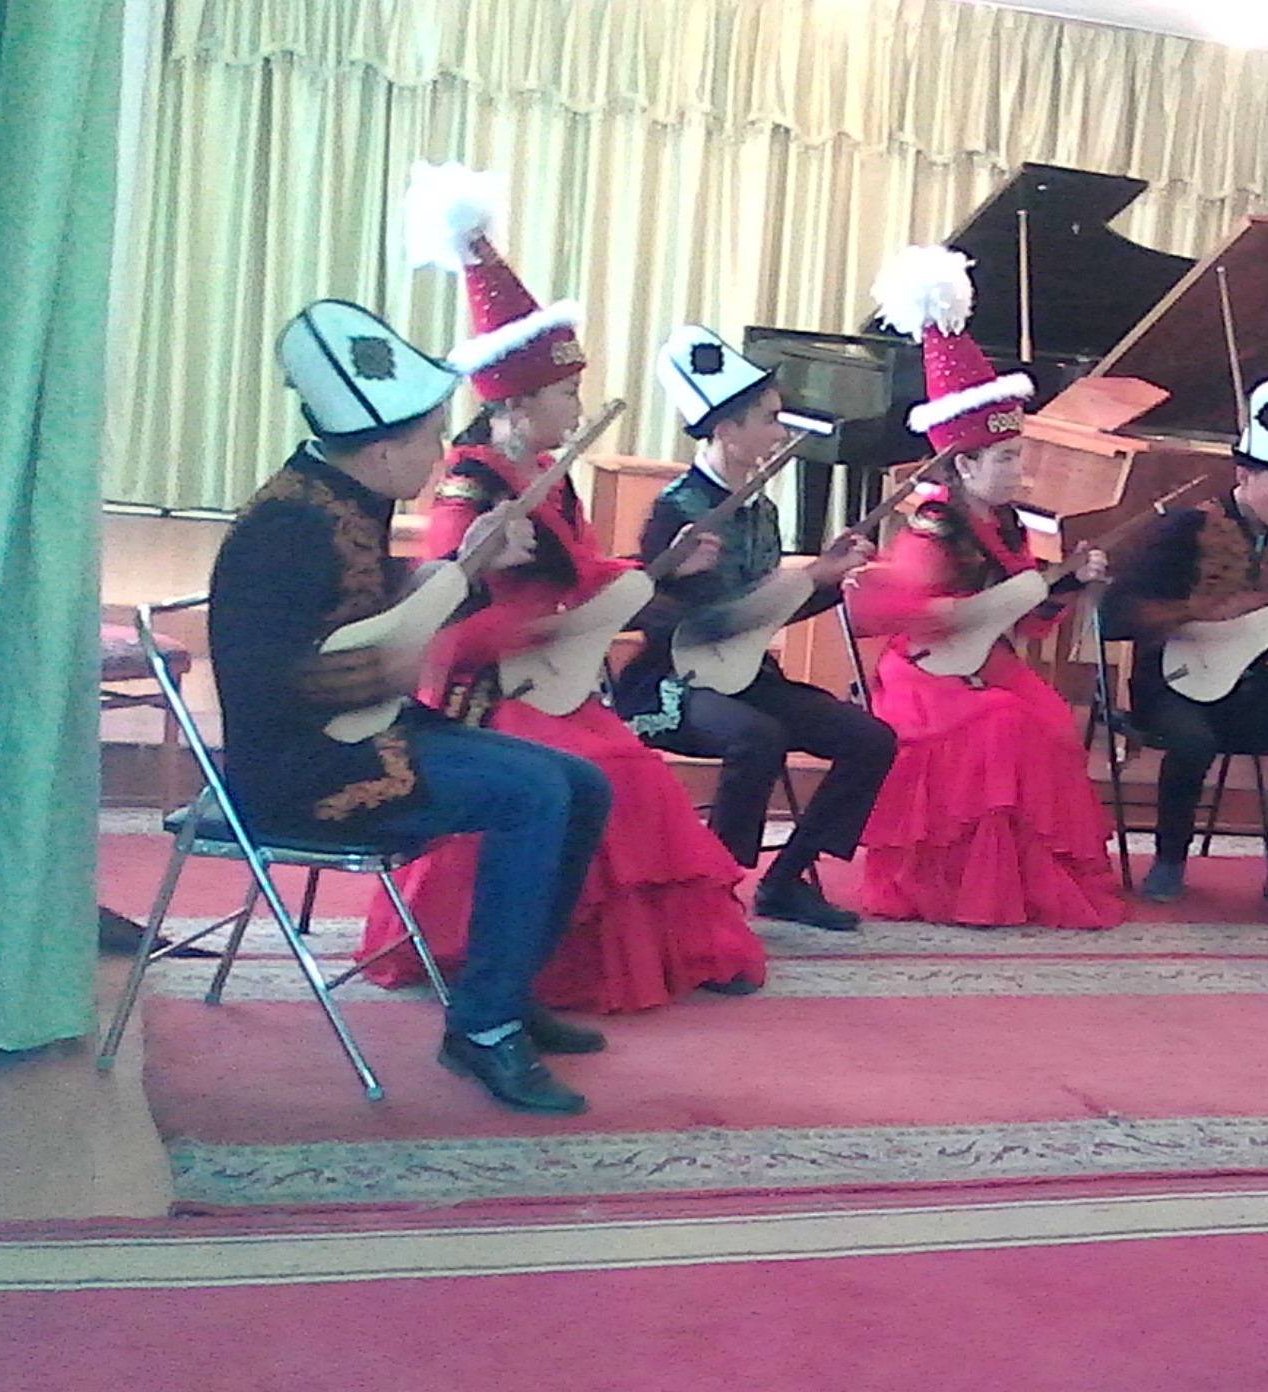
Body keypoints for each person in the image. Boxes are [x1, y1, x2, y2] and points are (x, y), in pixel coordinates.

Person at [359, 162, 766, 1011]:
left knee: (633, 768)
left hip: (556, 680)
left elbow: (579, 576)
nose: (579, 409)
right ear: (516, 404)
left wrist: (657, 570)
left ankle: (640, 947)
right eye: (568, 393)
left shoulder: (547, 475)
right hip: (488, 690)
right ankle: (537, 958)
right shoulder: (470, 484)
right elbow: (445, 617)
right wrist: (481, 570)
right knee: (602, 768)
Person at [212, 297, 608, 1116]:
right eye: (430, 436)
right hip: (307, 764)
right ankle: (484, 1027)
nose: (439, 453)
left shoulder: (343, 493)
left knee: (584, 783)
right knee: (537, 792)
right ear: (385, 445)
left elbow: (371, 609)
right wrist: (453, 583)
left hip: (367, 732)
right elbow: (322, 674)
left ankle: (507, 989)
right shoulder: (288, 525)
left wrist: (457, 572)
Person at [844, 245, 1123, 929]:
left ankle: (1023, 878)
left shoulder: (1007, 522)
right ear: (964, 465)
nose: (1019, 471)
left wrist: (1068, 586)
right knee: (1000, 724)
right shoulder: (934, 524)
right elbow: (893, 607)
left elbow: (1024, 618)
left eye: (1018, 456)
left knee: (1051, 722)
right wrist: (959, 612)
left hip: (983, 661)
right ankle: (957, 884)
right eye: (1006, 458)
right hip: (924, 677)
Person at [611, 325, 896, 932]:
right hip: (674, 680)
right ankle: (712, 890)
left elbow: (764, 613)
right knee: (757, 737)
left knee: (869, 738)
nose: (780, 432)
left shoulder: (762, 508)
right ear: (726, 428)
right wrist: (674, 573)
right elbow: (650, 613)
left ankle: (785, 880)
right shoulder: (676, 509)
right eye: (768, 419)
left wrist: (828, 580)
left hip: (747, 675)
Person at [1097, 379, 1268, 925]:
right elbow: (1113, 615)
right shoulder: (1185, 529)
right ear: (1244, 476)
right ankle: (1169, 858)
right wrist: (1199, 611)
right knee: (1193, 739)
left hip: (1248, 690)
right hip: (1170, 686)